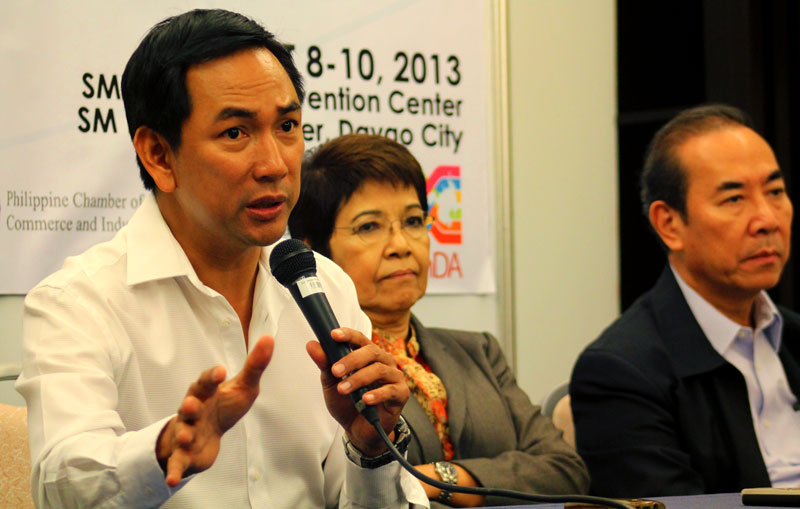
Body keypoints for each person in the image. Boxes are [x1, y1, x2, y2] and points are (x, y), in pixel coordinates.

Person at [16, 9, 428, 508]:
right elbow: (61, 484)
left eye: (288, 125)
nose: (275, 164)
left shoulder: (326, 287)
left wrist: (369, 448)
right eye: (236, 133)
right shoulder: (77, 302)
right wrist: (164, 452)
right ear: (159, 155)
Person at [288, 134, 590, 507]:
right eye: (369, 227)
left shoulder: (478, 350)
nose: (402, 244)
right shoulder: (321, 372)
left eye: (414, 221)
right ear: (313, 249)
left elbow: (566, 470)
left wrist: (442, 478)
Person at [570, 104, 800, 497]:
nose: (768, 219)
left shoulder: (792, 336)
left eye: (775, 192)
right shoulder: (620, 373)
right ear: (669, 224)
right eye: (734, 200)